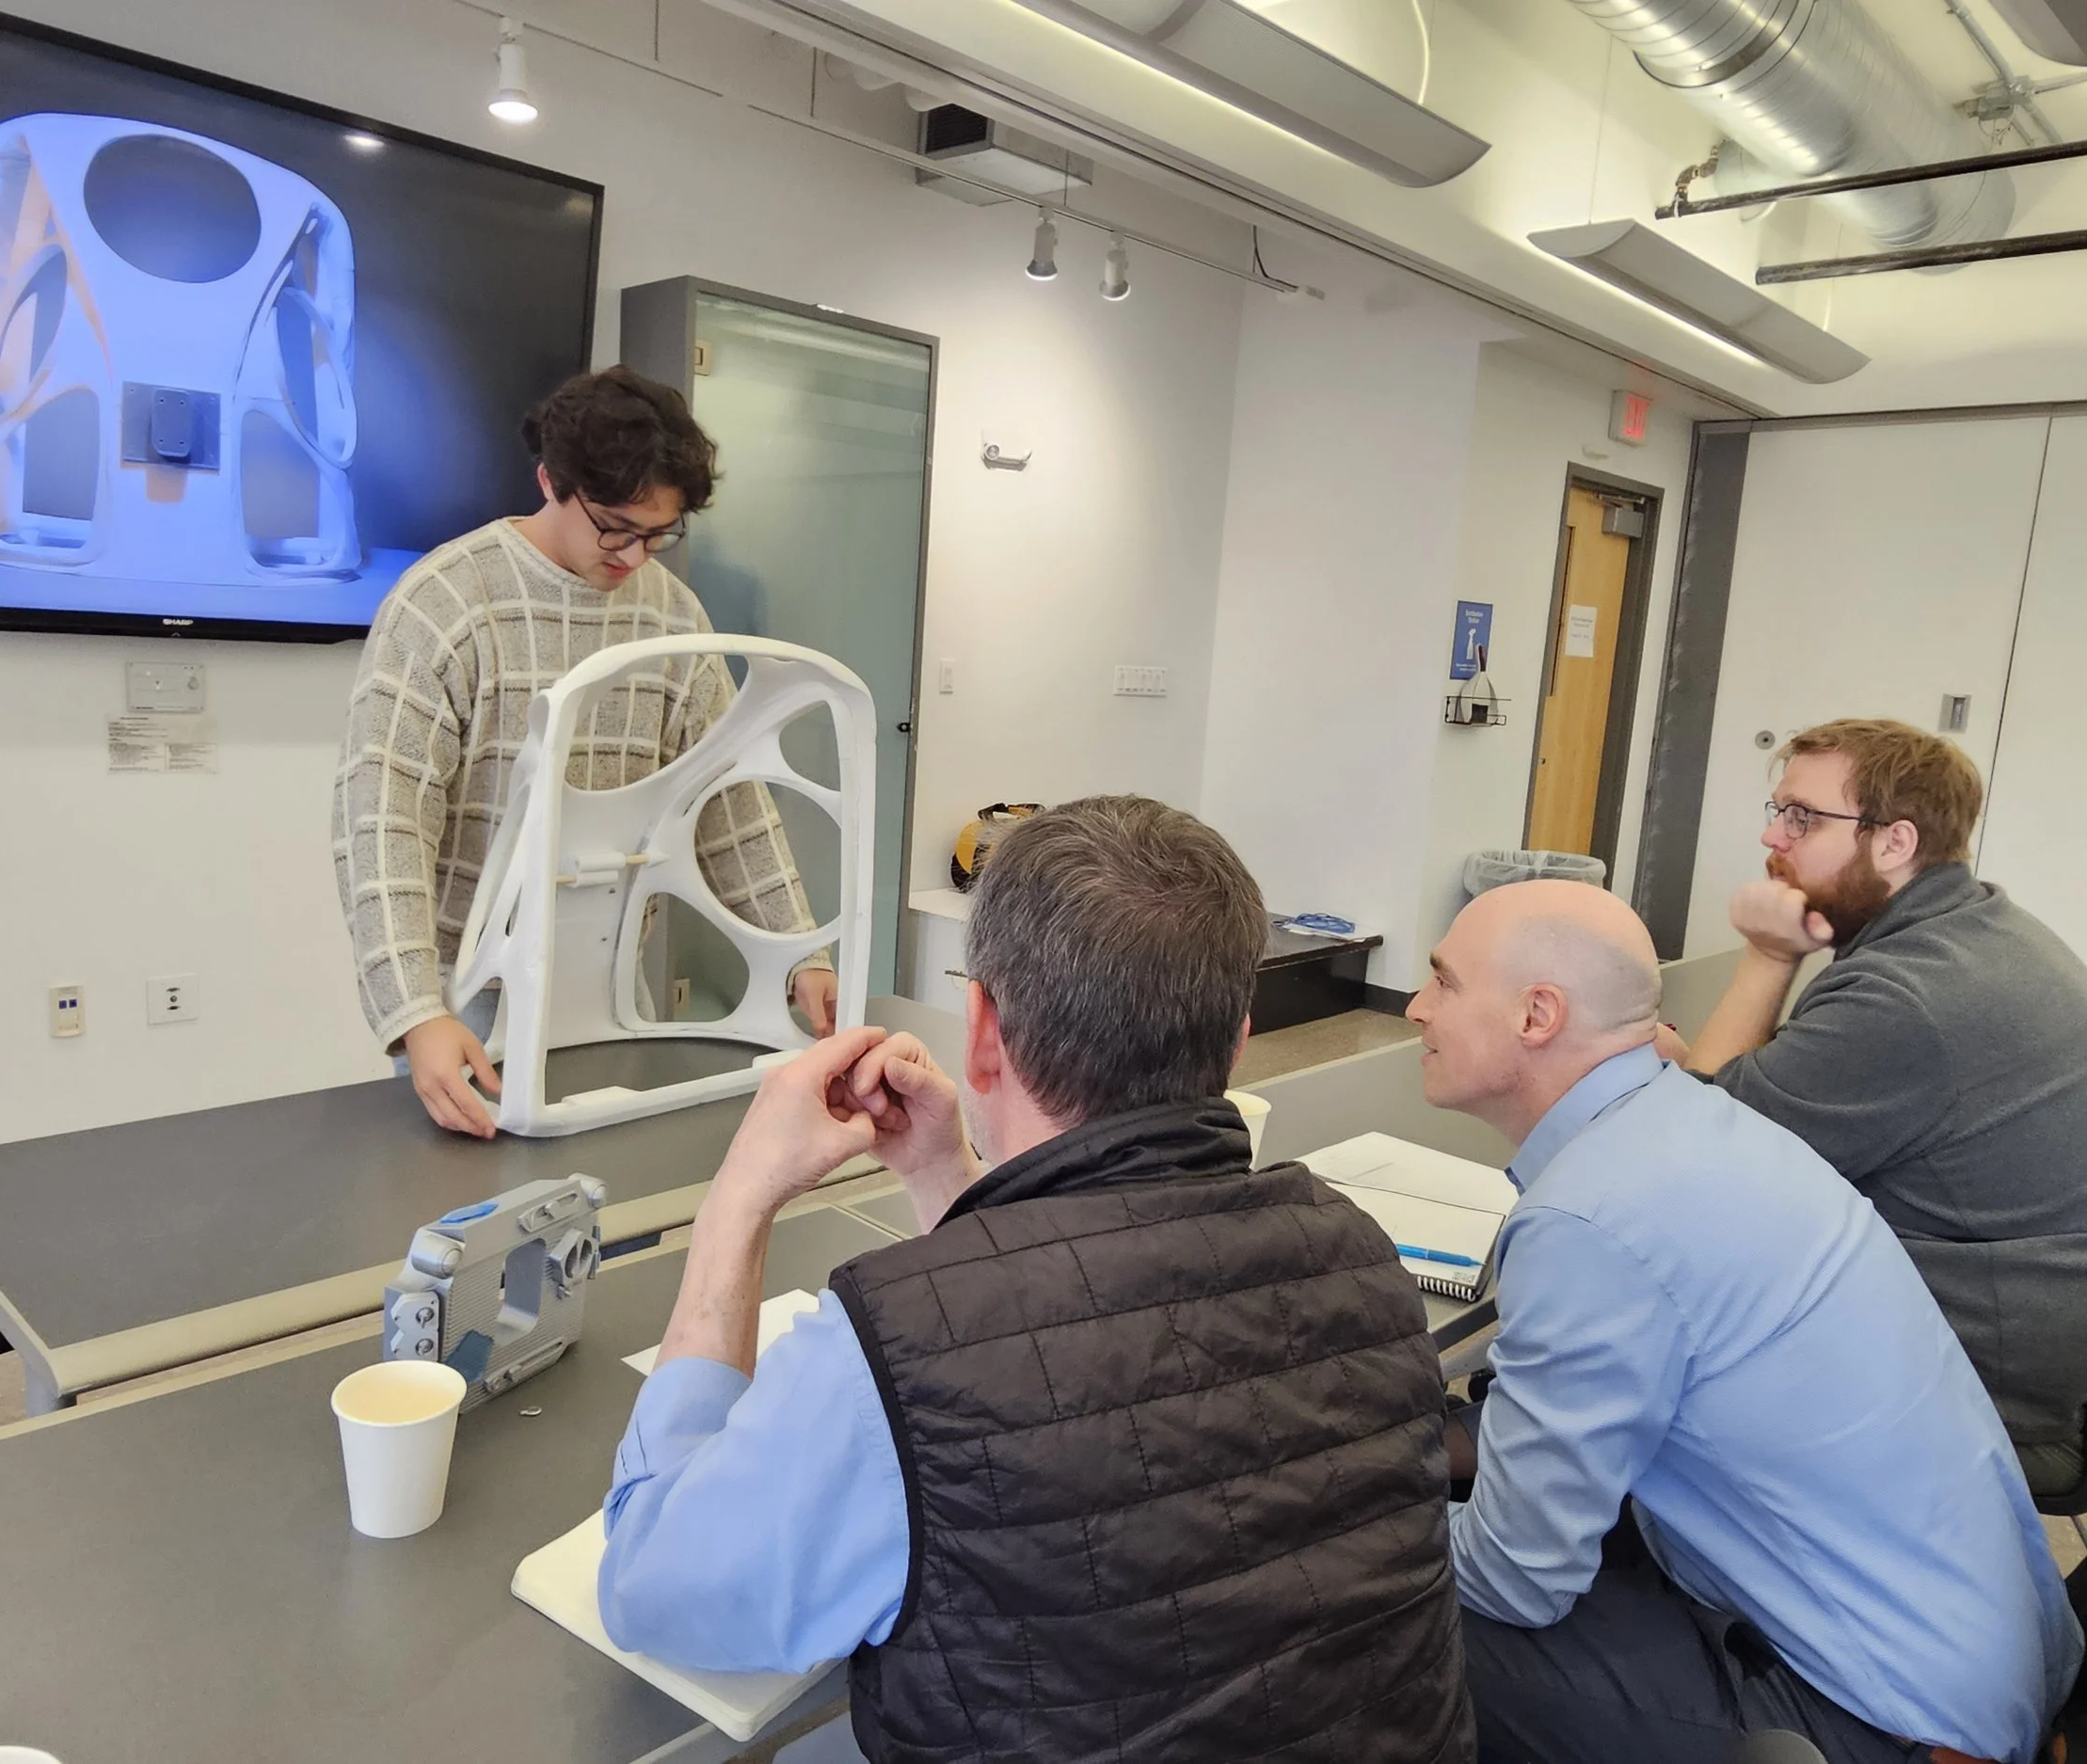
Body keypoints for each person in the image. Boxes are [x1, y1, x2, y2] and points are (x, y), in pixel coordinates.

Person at [598, 796, 1474, 1763]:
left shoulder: (888, 1352)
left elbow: (652, 1586)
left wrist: (737, 1197)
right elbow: (1052, 1339)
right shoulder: (1361, 1256)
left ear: (979, 1028)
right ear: (1237, 1041)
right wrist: (945, 1173)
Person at [1412, 880, 2079, 1764]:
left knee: (1362, 1613)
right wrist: (1416, 1448)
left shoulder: (1589, 1218)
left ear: (1538, 1015)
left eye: (1444, 980)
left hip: (1876, 1718)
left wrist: (1343, 1530)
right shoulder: (1696, 1125)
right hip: (1974, 1662)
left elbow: (1515, 1576)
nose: (1416, 1006)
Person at [331, 366, 836, 1137]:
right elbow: (381, 818)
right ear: (550, 481)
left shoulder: (673, 615)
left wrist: (799, 952)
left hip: (612, 984)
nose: (635, 557)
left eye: (659, 534)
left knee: (614, 1192)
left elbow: (728, 797)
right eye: (615, 527)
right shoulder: (447, 602)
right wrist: (414, 1012)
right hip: (469, 995)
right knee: (472, 1204)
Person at [1665, 718, 2087, 1495]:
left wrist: (1768, 955)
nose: (1771, 835)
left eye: (1802, 816)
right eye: (1778, 809)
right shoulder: (1984, 927)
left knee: (1658, 1361)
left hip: (1995, 1391)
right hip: (2039, 1343)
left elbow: (1699, 1162)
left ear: (1895, 842)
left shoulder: (1906, 995)